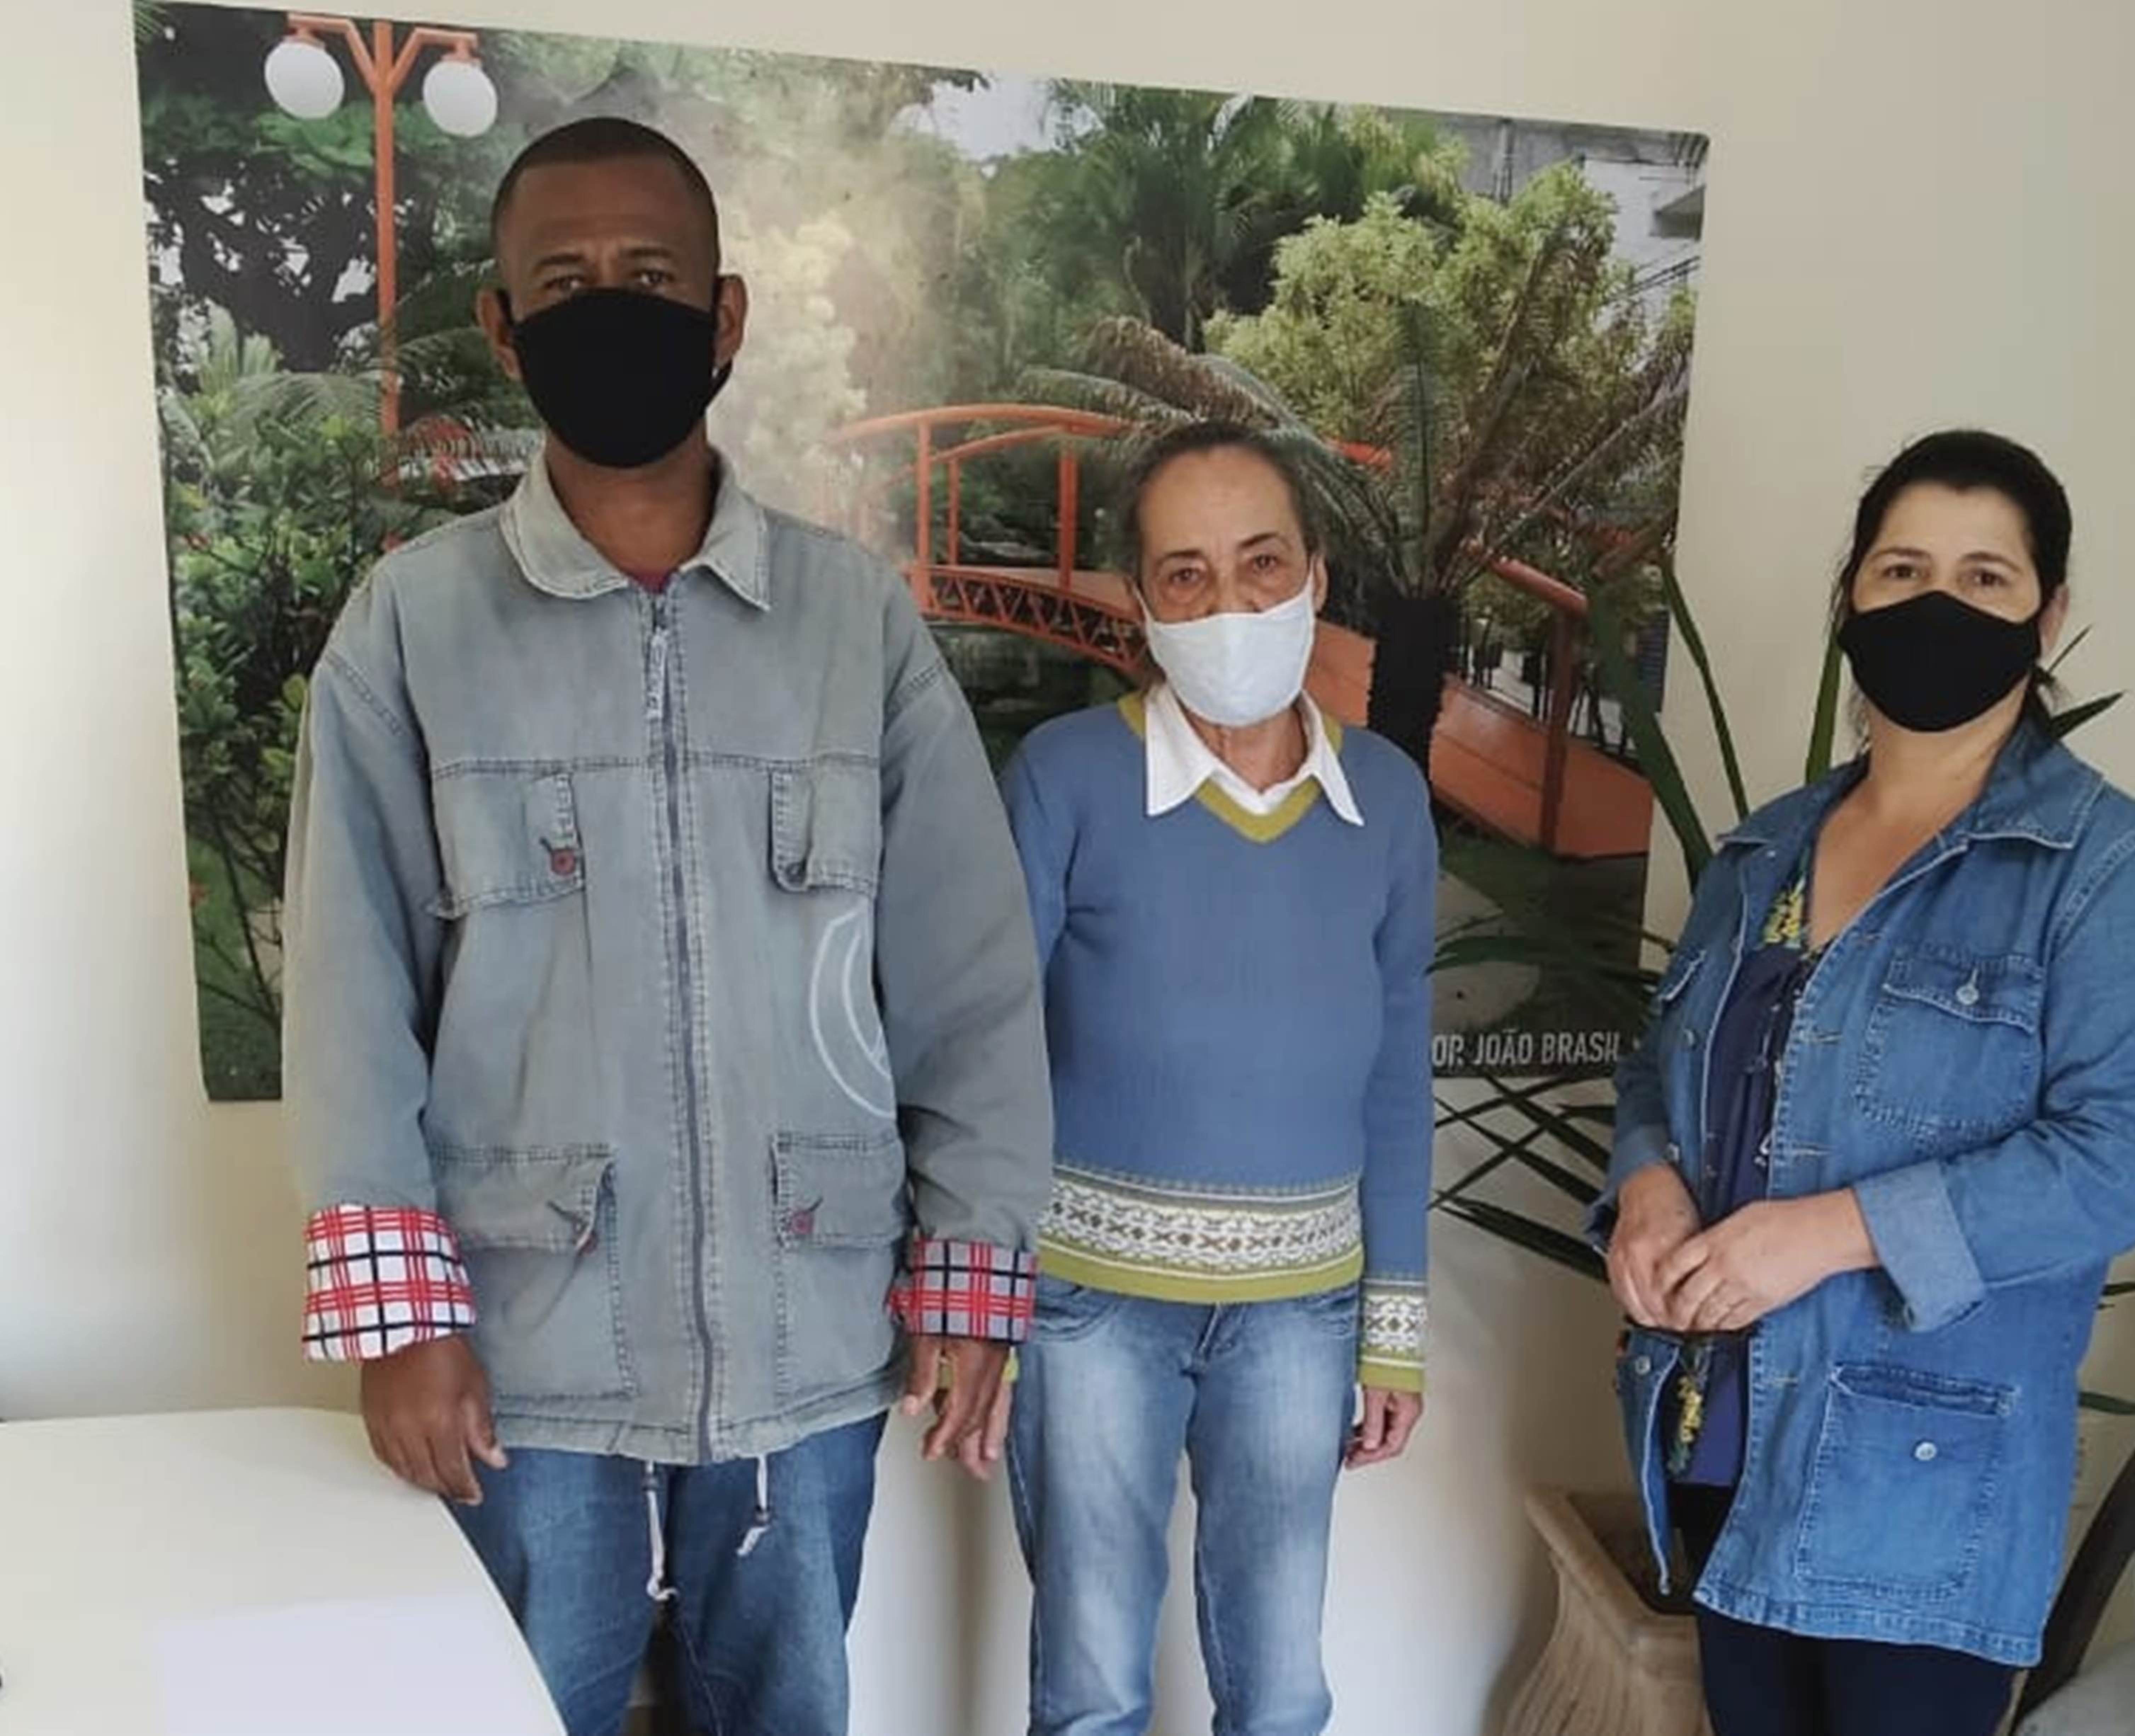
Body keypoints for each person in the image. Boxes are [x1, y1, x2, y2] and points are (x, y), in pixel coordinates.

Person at [282, 118, 1052, 1736]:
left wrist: (971, 1271)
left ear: (725, 316)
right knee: (513, 1709)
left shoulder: (853, 623)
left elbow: (969, 979)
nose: (610, 307)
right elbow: (350, 995)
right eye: (563, 283)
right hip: (524, 1361)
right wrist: (400, 1317)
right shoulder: (411, 629)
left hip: (805, 1345)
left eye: (650, 274)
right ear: (503, 327)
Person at [1593, 430, 2135, 1736]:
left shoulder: (2108, 871)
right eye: (1903, 570)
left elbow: (2121, 1162)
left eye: (1986, 578)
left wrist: (1828, 1234)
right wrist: (1647, 1186)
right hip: (1725, 1440)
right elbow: (1665, 1061)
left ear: (2049, 614)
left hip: (1920, 1491)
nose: (1940, 604)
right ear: (1851, 599)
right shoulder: (1764, 854)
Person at [991, 422, 1436, 1736]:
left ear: (1316, 576)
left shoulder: (1388, 800)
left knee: (1281, 1691)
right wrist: (976, 1292)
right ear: (1139, 601)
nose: (1230, 603)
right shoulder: (1065, 778)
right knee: (1091, 1687)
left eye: (1262, 562)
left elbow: (1395, 1070)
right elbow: (985, 1046)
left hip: (1301, 1313)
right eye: (1186, 575)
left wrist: (1395, 1325)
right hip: (1088, 1310)